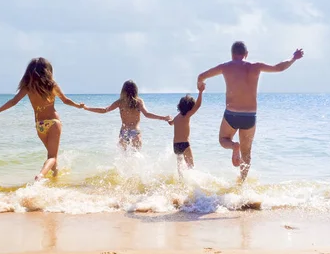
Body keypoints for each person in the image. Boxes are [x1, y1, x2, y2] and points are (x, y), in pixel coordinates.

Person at [197, 42, 304, 182]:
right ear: (246, 54)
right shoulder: (256, 66)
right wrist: (293, 58)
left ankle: (234, 146)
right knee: (246, 153)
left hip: (232, 113)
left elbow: (201, 76)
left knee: (223, 140)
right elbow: (279, 68)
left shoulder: (225, 67)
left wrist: (200, 86)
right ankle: (241, 185)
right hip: (250, 116)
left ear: (232, 54)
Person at [0, 57, 85, 181]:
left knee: (51, 155)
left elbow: (13, 102)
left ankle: (55, 177)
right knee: (52, 157)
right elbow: (65, 100)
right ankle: (40, 175)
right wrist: (78, 105)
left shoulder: (28, 87)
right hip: (53, 123)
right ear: (48, 71)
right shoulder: (52, 85)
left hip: (39, 125)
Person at [83, 80, 172, 150]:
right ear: (135, 90)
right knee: (136, 157)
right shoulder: (139, 102)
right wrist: (164, 118)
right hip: (135, 132)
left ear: (123, 91)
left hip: (124, 132)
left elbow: (104, 110)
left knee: (123, 158)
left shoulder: (120, 102)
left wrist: (87, 108)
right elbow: (147, 114)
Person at [172, 82, 205, 176]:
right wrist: (200, 92)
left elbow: (171, 123)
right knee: (191, 167)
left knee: (180, 168)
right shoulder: (187, 115)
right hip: (185, 144)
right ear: (190, 108)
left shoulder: (177, 117)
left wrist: (169, 120)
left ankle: (181, 182)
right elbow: (198, 106)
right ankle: (193, 184)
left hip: (176, 145)